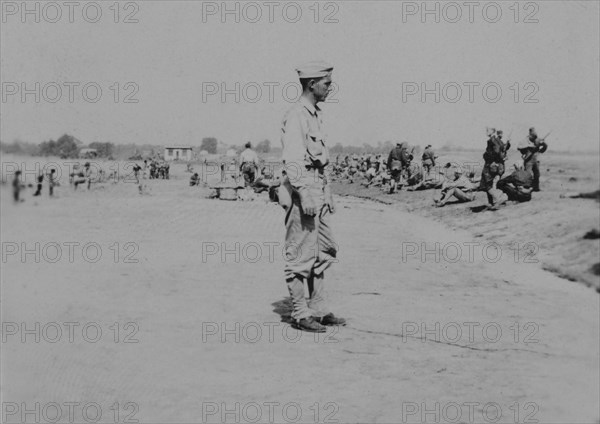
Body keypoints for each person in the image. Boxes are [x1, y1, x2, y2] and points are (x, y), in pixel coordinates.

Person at [279, 60, 345, 333]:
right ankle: (300, 313)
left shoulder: (314, 114)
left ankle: (317, 307)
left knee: (323, 250)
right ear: (312, 84)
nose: (330, 88)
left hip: (318, 187)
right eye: (327, 84)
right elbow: (293, 159)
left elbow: (321, 159)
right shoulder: (297, 115)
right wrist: (304, 193)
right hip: (303, 188)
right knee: (300, 253)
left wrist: (326, 189)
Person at [479, 127, 508, 206]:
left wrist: (490, 159)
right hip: (495, 165)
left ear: (492, 132)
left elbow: (496, 151)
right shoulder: (498, 140)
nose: (486, 132)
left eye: (487, 130)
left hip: (490, 165)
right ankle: (492, 202)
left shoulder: (492, 140)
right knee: (491, 183)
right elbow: (502, 150)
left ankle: (499, 198)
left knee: (486, 184)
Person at [524, 127, 548, 192]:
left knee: (537, 174)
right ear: (529, 132)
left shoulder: (538, 139)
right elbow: (521, 147)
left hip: (536, 159)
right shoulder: (526, 140)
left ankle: (536, 188)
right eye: (532, 132)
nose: (533, 133)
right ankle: (526, 187)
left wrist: (542, 147)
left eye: (534, 132)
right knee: (527, 174)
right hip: (528, 159)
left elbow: (545, 146)